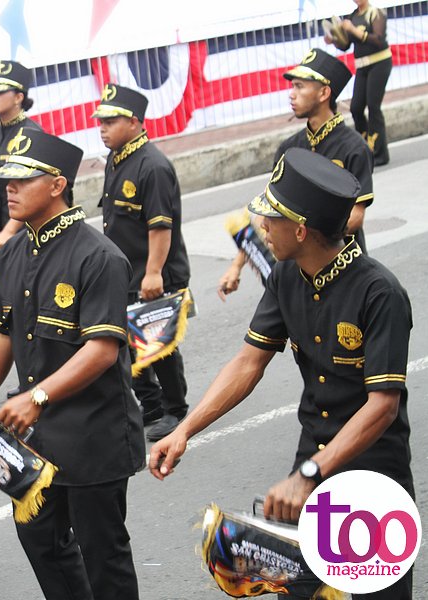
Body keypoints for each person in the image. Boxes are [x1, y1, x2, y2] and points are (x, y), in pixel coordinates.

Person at [150, 148, 413, 599]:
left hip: (372, 477)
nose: (262, 227)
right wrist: (184, 430)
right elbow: (248, 362)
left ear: (301, 230)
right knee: (298, 590)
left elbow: (382, 407)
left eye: (271, 218)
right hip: (311, 465)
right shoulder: (286, 276)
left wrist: (309, 473)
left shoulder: (380, 293)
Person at [0, 128, 145, 600]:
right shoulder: (13, 251)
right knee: (40, 541)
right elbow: (1, 331)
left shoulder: (99, 256)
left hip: (93, 434)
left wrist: (37, 396)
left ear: (56, 185)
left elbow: (102, 349)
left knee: (103, 555)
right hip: (35, 435)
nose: (8, 188)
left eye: (21, 180)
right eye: (6, 180)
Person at [218, 48, 374, 297]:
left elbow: (355, 217)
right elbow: (269, 213)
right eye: (292, 86)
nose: (292, 94)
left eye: (300, 87)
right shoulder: (289, 149)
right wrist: (237, 265)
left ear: (324, 93)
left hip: (345, 271)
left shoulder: (353, 147)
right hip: (298, 273)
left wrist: (306, 237)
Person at [93, 83, 191, 441]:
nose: (102, 128)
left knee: (158, 344)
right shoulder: (117, 158)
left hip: (155, 273)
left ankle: (175, 408)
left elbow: (160, 226)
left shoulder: (153, 166)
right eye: (100, 122)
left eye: (110, 122)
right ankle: (150, 403)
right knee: (131, 343)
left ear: (134, 122)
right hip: (127, 271)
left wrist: (153, 273)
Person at [0, 60, 42, 253]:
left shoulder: (31, 134)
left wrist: (9, 231)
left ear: (18, 97)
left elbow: (32, 191)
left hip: (25, 232)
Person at [325, 0, 392, 166]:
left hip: (380, 63)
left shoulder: (375, 13)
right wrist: (334, 39)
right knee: (356, 107)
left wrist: (353, 30)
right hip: (362, 66)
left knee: (373, 106)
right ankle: (366, 148)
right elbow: (345, 45)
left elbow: (379, 40)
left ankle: (380, 153)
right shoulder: (352, 16)